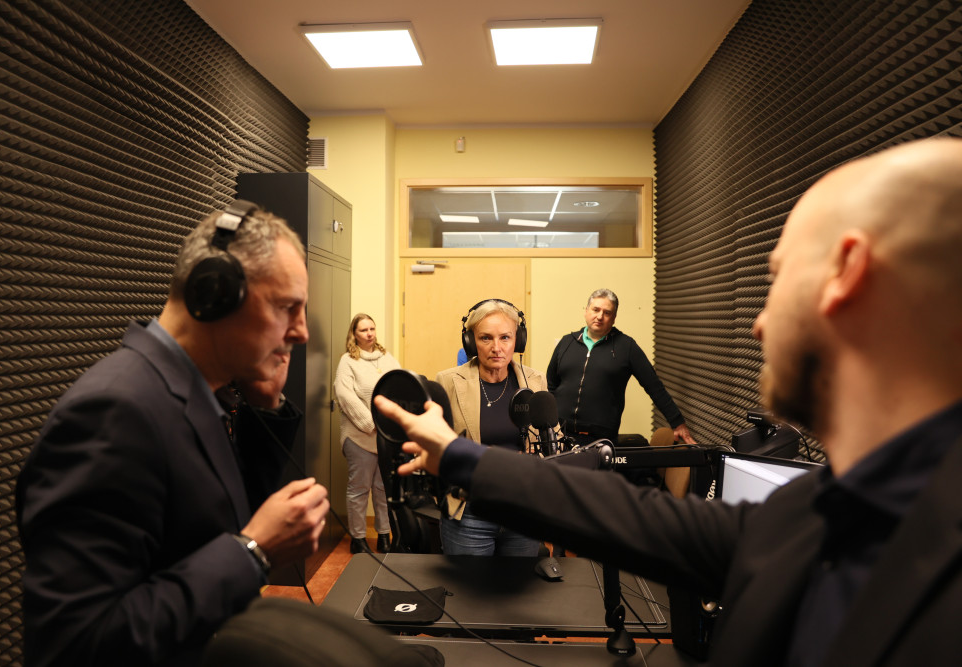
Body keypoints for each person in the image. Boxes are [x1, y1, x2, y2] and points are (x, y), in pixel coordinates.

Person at [375, 138, 962, 666]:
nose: (759, 323)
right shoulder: (818, 509)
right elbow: (635, 520)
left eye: (778, 276)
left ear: (848, 273)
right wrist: (459, 456)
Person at [16, 202, 330, 667]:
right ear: (215, 292)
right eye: (287, 308)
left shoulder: (197, 393)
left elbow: (219, 522)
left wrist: (266, 408)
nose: (301, 332)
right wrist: (254, 552)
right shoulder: (114, 412)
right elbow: (75, 645)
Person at [434, 299, 549, 557]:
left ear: (518, 340)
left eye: (505, 337)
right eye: (486, 338)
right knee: (470, 582)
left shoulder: (535, 380)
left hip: (523, 510)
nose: (496, 348)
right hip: (469, 511)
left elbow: (552, 441)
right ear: (471, 342)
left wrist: (534, 460)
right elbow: (435, 446)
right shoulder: (448, 381)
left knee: (518, 581)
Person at [547, 288, 696, 446]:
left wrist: (677, 423)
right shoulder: (566, 342)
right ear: (586, 311)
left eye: (607, 313)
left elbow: (654, 386)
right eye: (596, 309)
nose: (600, 316)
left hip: (600, 439)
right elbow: (550, 384)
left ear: (614, 318)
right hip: (561, 435)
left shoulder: (626, 347)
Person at [334, 313, 400, 554]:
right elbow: (345, 396)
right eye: (363, 330)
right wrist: (371, 423)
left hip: (385, 437)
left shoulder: (387, 358)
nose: (369, 333)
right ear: (354, 334)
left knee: (383, 490)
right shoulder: (348, 361)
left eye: (372, 328)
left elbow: (399, 386)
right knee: (359, 489)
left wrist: (392, 423)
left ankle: (384, 536)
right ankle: (358, 539)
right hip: (359, 435)